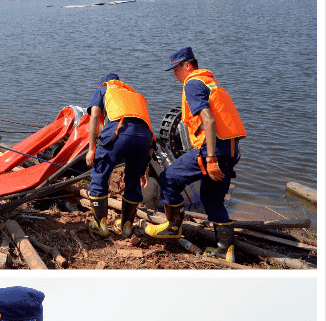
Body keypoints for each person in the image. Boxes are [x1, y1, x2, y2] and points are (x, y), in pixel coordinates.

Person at [145, 47, 246, 262]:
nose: (174, 74)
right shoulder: (211, 82)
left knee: (168, 178)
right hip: (231, 151)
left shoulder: (192, 83)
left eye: (176, 69)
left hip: (214, 151)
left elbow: (208, 121)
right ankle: (225, 251)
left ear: (187, 66)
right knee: (212, 200)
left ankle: (173, 227)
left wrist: (210, 158)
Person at [85, 73, 154, 238]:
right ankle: (127, 227)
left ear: (104, 84)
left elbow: (94, 115)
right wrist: (145, 166)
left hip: (119, 134)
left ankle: (100, 225)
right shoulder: (135, 96)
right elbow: (149, 131)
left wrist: (91, 148)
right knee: (133, 180)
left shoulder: (104, 90)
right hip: (145, 139)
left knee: (99, 175)